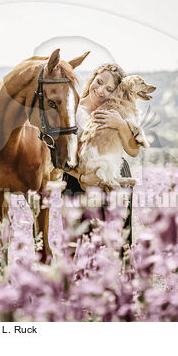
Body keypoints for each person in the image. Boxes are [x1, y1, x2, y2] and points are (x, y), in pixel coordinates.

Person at [62, 63, 147, 246]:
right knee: (80, 244)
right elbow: (56, 156)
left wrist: (120, 125)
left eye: (109, 89)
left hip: (115, 174)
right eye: (99, 82)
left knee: (118, 242)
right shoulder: (71, 110)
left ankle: (122, 274)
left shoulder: (117, 110)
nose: (100, 90)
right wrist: (83, 177)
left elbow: (133, 151)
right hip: (77, 182)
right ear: (92, 78)